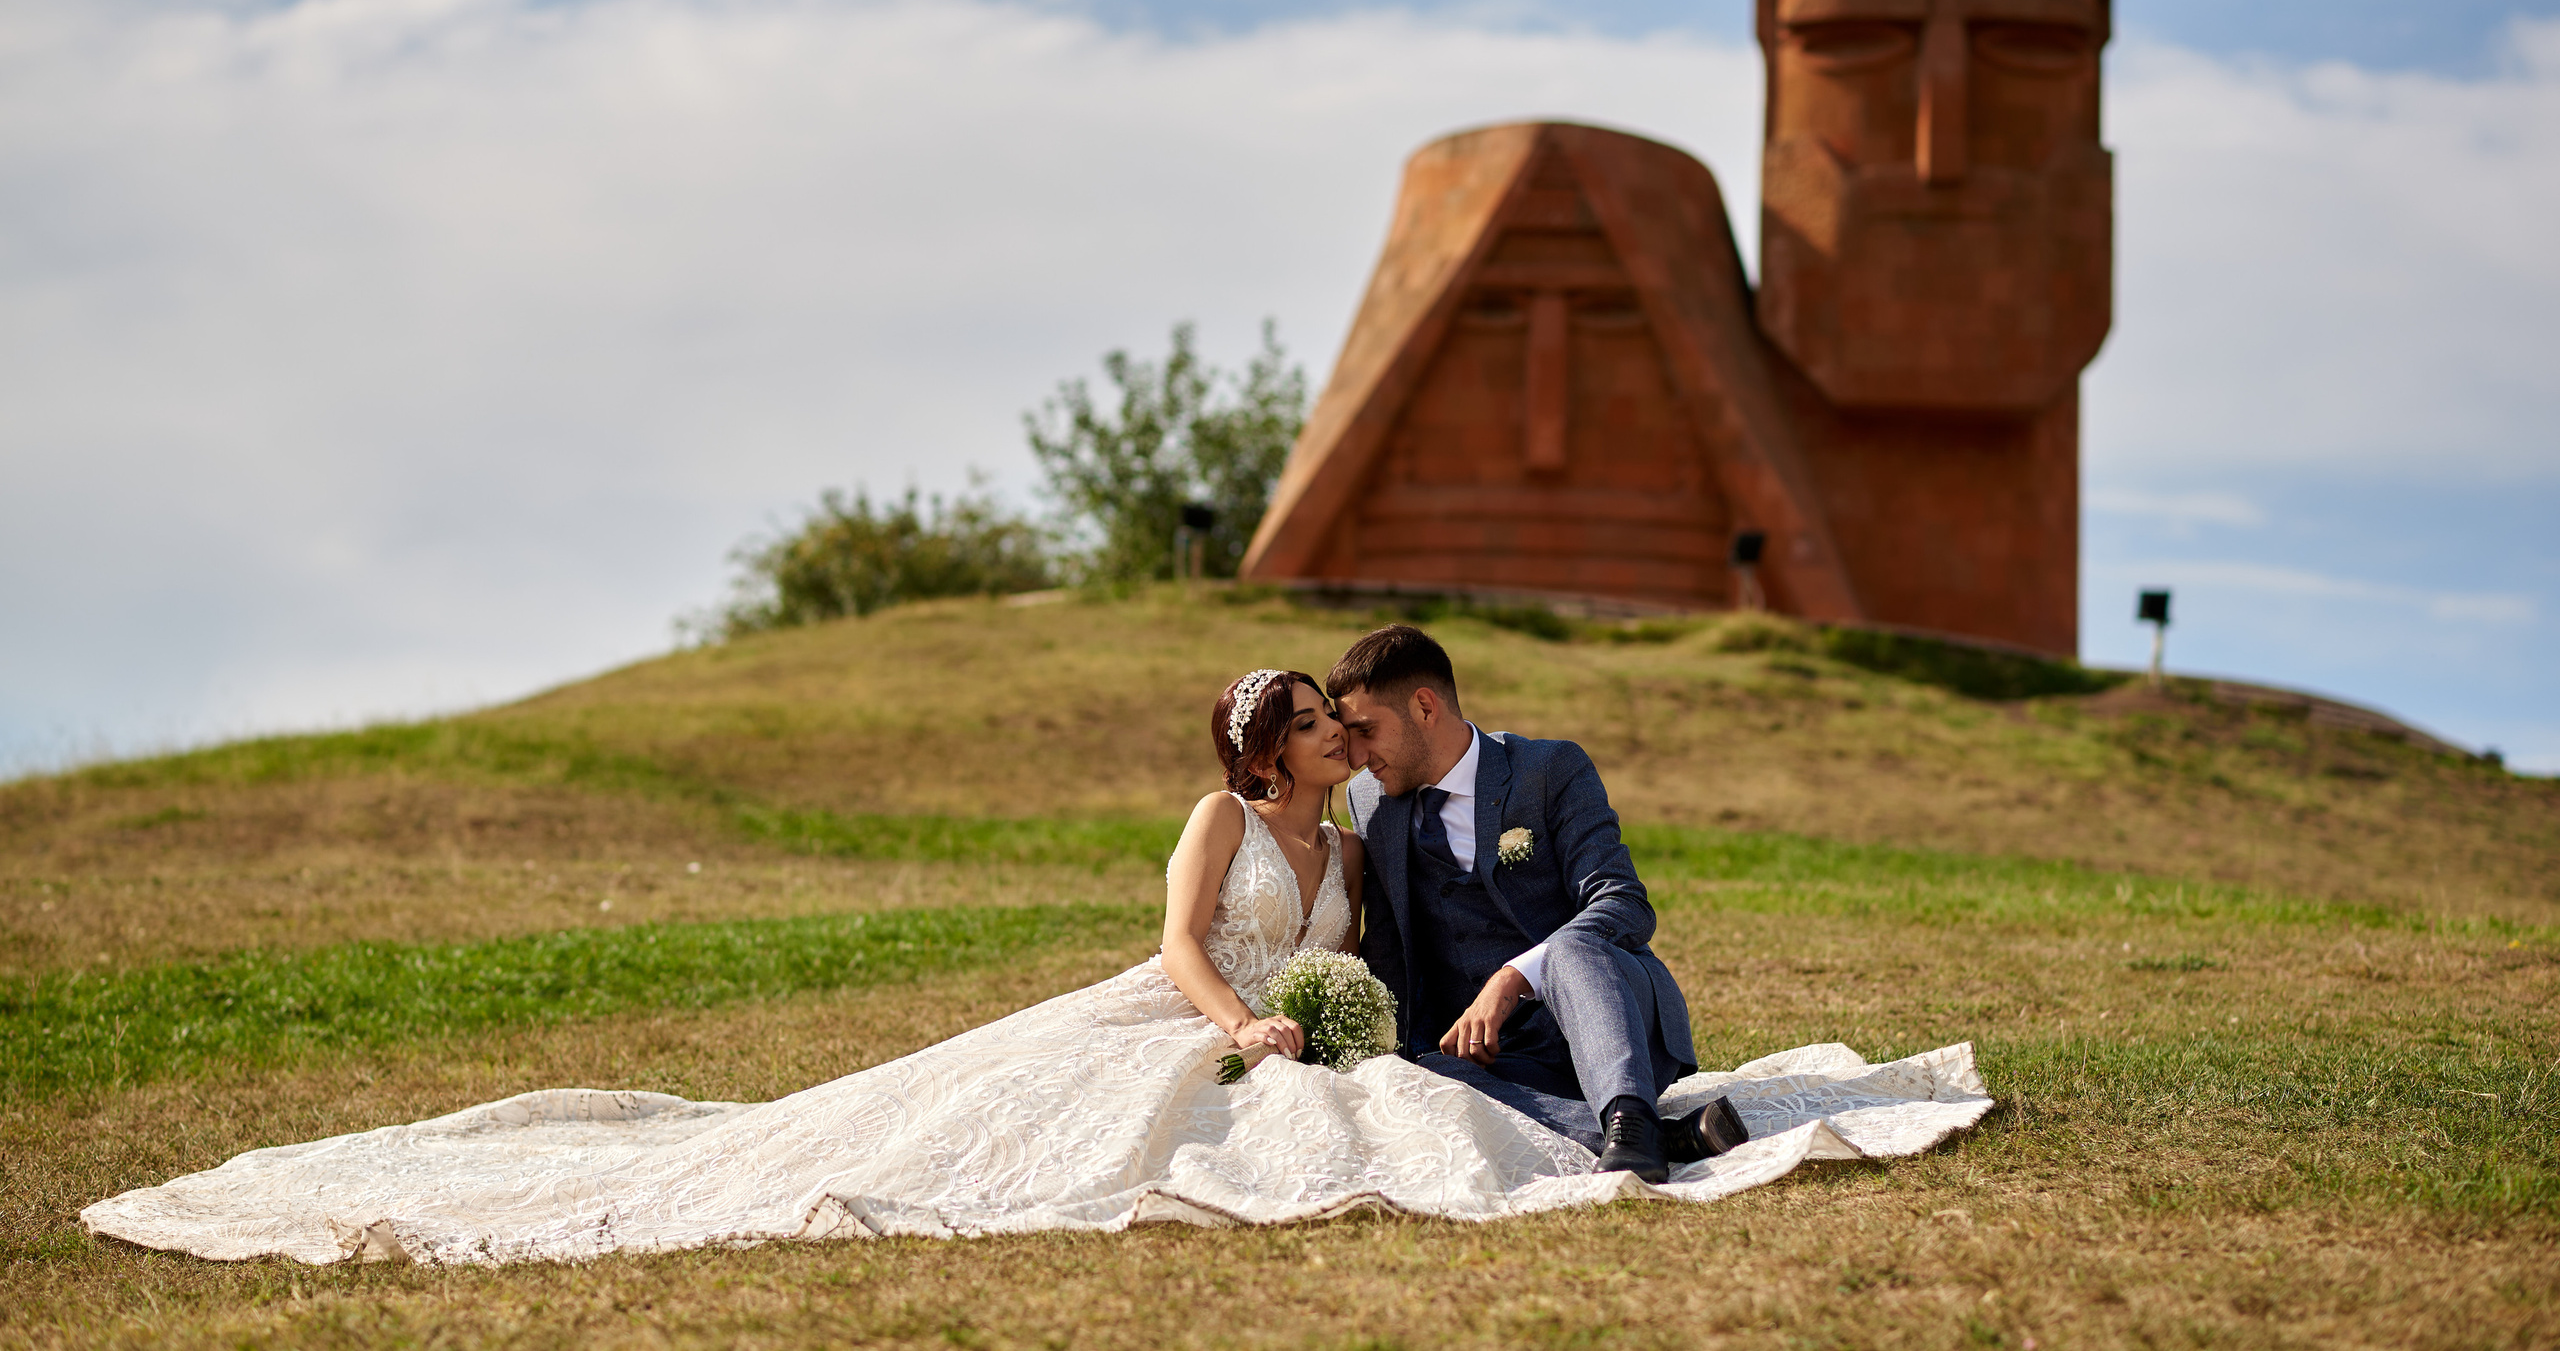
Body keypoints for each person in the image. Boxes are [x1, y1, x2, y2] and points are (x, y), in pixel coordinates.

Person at [80, 669, 1604, 1265]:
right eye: (1320, 725)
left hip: (1298, 1034)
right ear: (1268, 749)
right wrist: (1244, 1023)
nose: (1343, 736)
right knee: (1047, 1115)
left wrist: (1337, 1018)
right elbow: (1178, 943)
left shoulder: (1355, 850)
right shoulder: (1222, 820)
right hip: (1194, 1011)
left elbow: (1368, 956)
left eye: (1346, 722)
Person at [1330, 624, 1748, 1183]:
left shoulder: (1548, 770)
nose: (1356, 756)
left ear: (1425, 708)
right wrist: (1386, 1051)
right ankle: (1650, 1134)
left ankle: (1628, 1110)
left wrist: (1513, 978)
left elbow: (1622, 901)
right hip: (1497, 1058)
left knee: (1570, 949)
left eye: (1365, 730)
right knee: (1420, 1078)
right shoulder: (1369, 799)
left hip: (1610, 1017)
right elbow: (1389, 942)